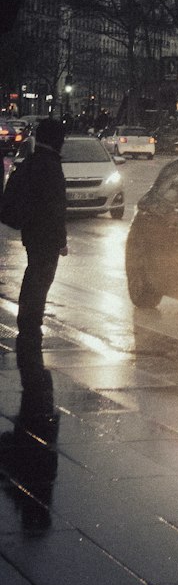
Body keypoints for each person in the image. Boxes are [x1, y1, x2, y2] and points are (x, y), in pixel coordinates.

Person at [11, 117, 67, 441]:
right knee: (40, 278)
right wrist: (61, 238)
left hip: (34, 232)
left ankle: (28, 319)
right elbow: (56, 205)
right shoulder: (50, 164)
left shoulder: (35, 161)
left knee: (34, 274)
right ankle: (30, 321)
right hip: (46, 234)